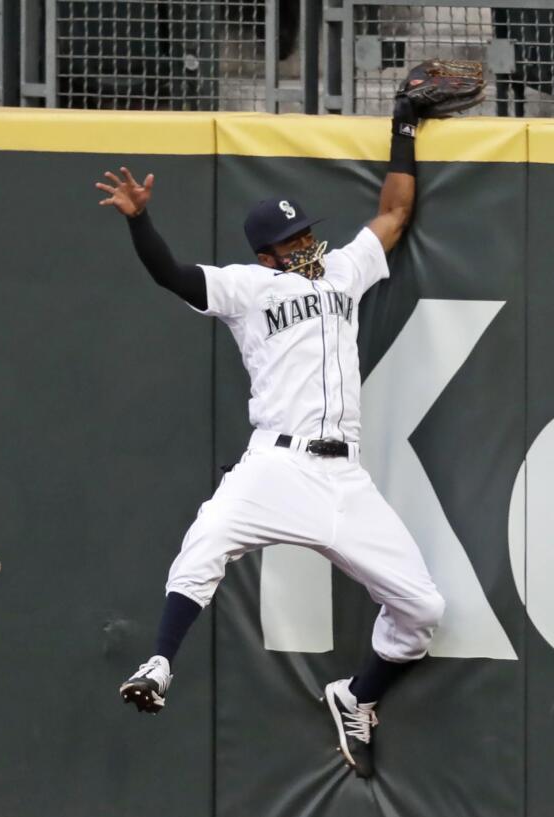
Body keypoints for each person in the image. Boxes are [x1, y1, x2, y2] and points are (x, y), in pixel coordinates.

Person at [94, 94, 442, 780]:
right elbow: (172, 275)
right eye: (293, 241)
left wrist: (404, 128)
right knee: (206, 540)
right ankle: (161, 662)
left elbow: (395, 213)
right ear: (267, 253)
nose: (306, 244)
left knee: (423, 609)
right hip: (276, 465)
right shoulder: (247, 287)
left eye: (308, 233)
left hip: (344, 479)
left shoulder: (342, 268)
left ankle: (357, 695)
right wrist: (142, 221)